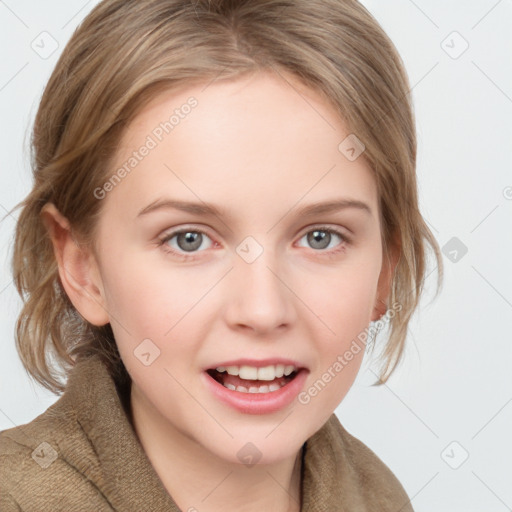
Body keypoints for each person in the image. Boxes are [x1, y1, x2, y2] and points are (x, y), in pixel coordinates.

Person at [0, 0, 443, 510]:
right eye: (188, 239)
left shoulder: (378, 497)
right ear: (83, 268)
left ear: (384, 269)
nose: (262, 310)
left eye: (321, 237)